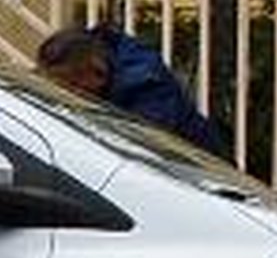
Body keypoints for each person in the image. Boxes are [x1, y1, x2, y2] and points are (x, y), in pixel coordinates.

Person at [35, 16, 237, 160]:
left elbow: (140, 154)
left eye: (71, 85)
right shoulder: (99, 52)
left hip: (204, 184)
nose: (66, 95)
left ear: (97, 73)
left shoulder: (147, 89)